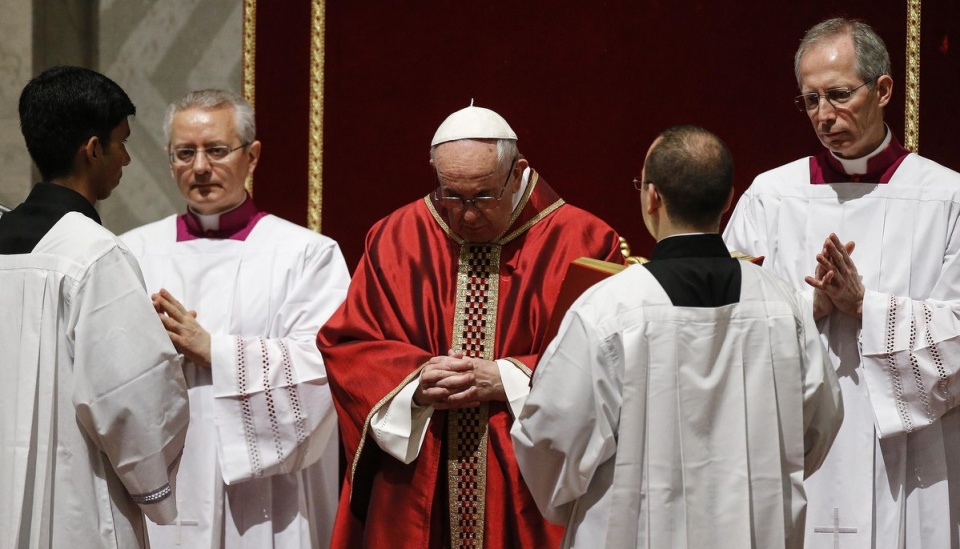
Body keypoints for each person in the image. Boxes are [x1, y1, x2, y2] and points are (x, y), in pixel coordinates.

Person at [512, 125, 843, 549]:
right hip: (755, 529)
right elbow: (821, 420)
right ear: (728, 199)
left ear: (652, 197)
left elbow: (551, 439)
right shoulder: (782, 304)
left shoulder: (609, 309)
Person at [316, 104, 625, 548]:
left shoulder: (584, 241)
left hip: (527, 484)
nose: (466, 216)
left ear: (517, 172)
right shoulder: (396, 236)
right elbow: (348, 344)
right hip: (419, 481)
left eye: (482, 197)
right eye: (451, 195)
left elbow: (610, 360)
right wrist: (414, 382)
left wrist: (508, 377)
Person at [724, 17, 960, 548]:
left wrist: (865, 308)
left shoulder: (946, 197)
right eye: (809, 100)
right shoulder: (771, 195)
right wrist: (810, 306)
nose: (824, 116)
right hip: (795, 444)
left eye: (837, 95)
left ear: (882, 90)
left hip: (909, 455)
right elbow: (724, 322)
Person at [120, 89, 351, 548]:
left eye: (217, 150)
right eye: (185, 153)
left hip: (266, 494)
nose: (200, 167)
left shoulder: (306, 255)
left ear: (252, 156)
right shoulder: (129, 253)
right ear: (169, 161)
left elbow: (330, 369)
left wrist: (216, 351)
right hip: (164, 479)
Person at [0, 66, 189, 548]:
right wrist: (155, 488)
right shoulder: (94, 254)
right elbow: (132, 398)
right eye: (122, 143)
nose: (126, 158)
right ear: (92, 148)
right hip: (73, 500)